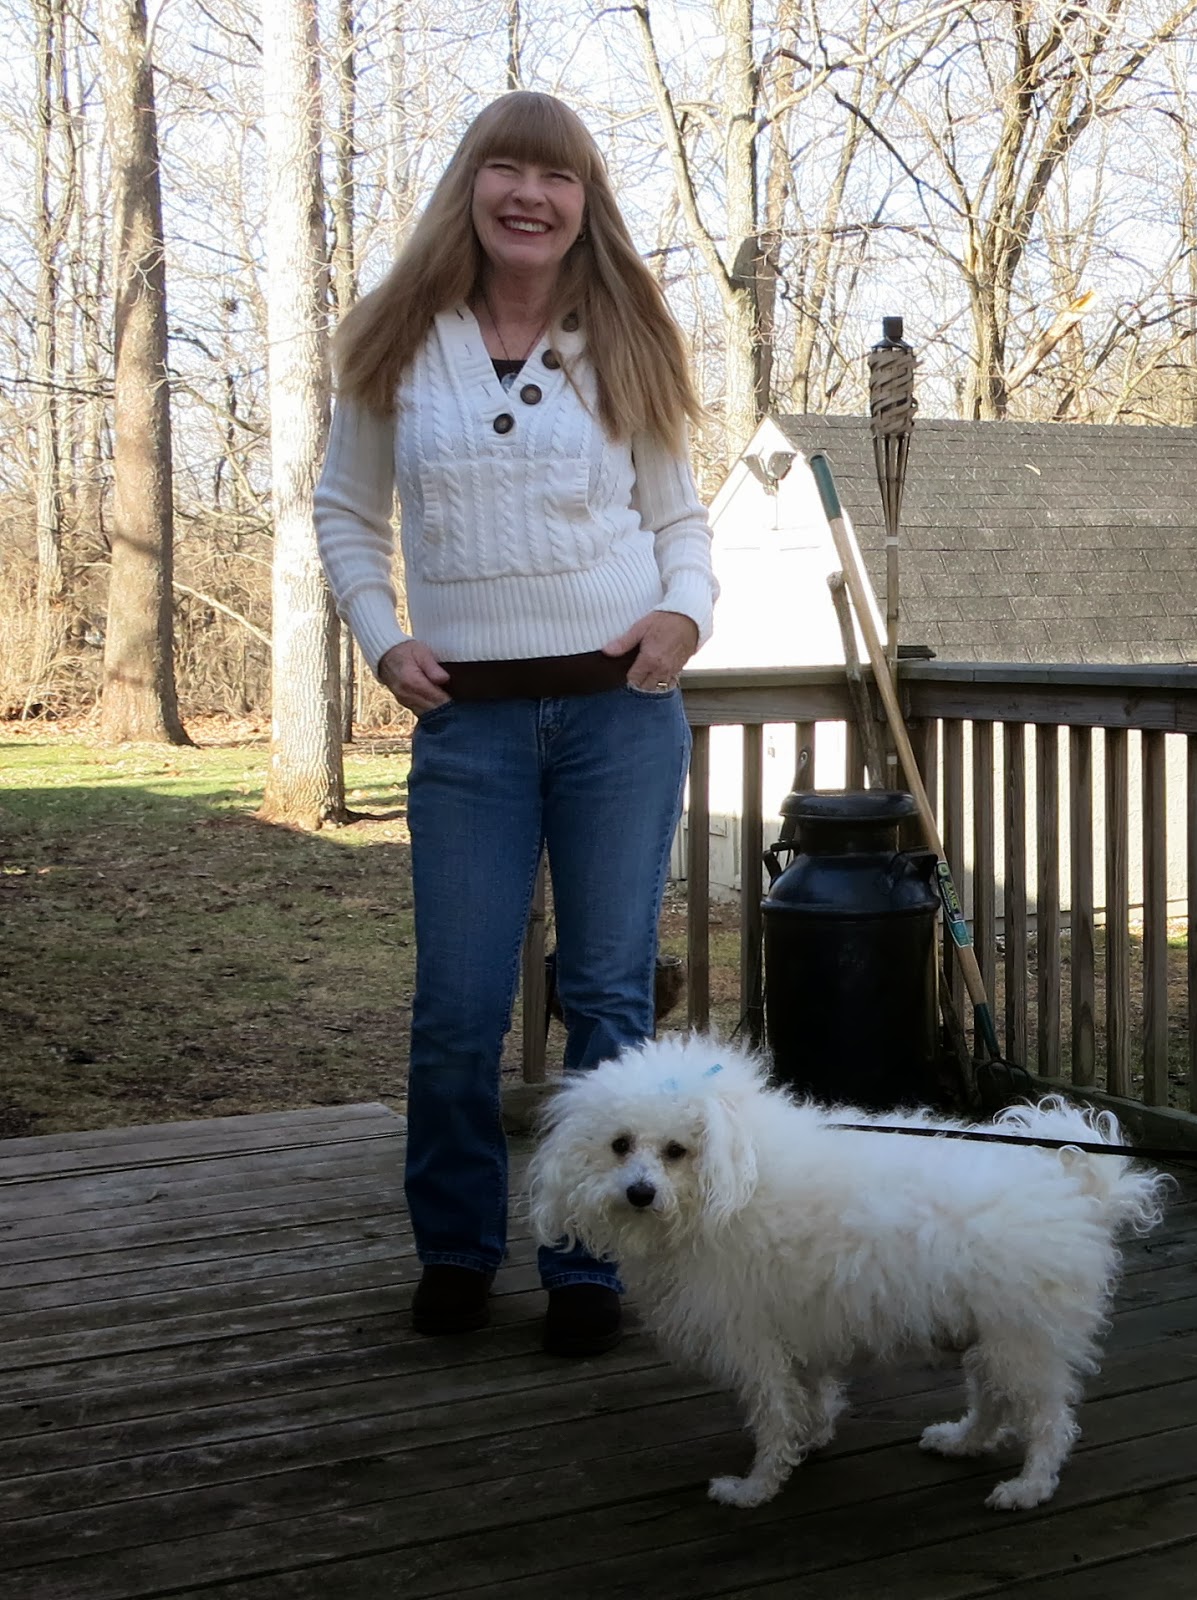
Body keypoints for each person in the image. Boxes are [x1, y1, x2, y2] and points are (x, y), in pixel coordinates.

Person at [313, 91, 717, 1357]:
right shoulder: (396, 338)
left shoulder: (629, 336)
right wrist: (382, 635)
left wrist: (684, 615)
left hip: (619, 715)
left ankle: (589, 1258)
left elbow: (679, 521)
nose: (530, 195)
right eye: (507, 169)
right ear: (470, 185)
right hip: (470, 727)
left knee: (605, 998)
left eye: (558, 176)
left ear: (585, 203)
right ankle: (455, 1247)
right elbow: (343, 512)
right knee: (458, 1006)